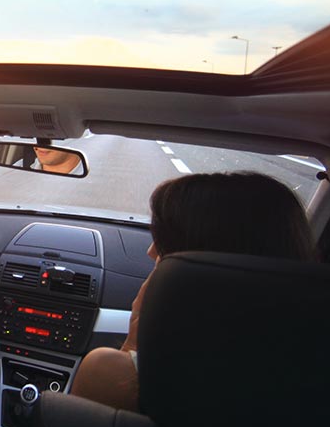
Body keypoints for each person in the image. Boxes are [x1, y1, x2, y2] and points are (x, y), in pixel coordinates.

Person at [70, 172, 315, 411]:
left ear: (212, 260)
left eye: (167, 243)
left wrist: (136, 342)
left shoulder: (116, 375)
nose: (151, 252)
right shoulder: (321, 367)